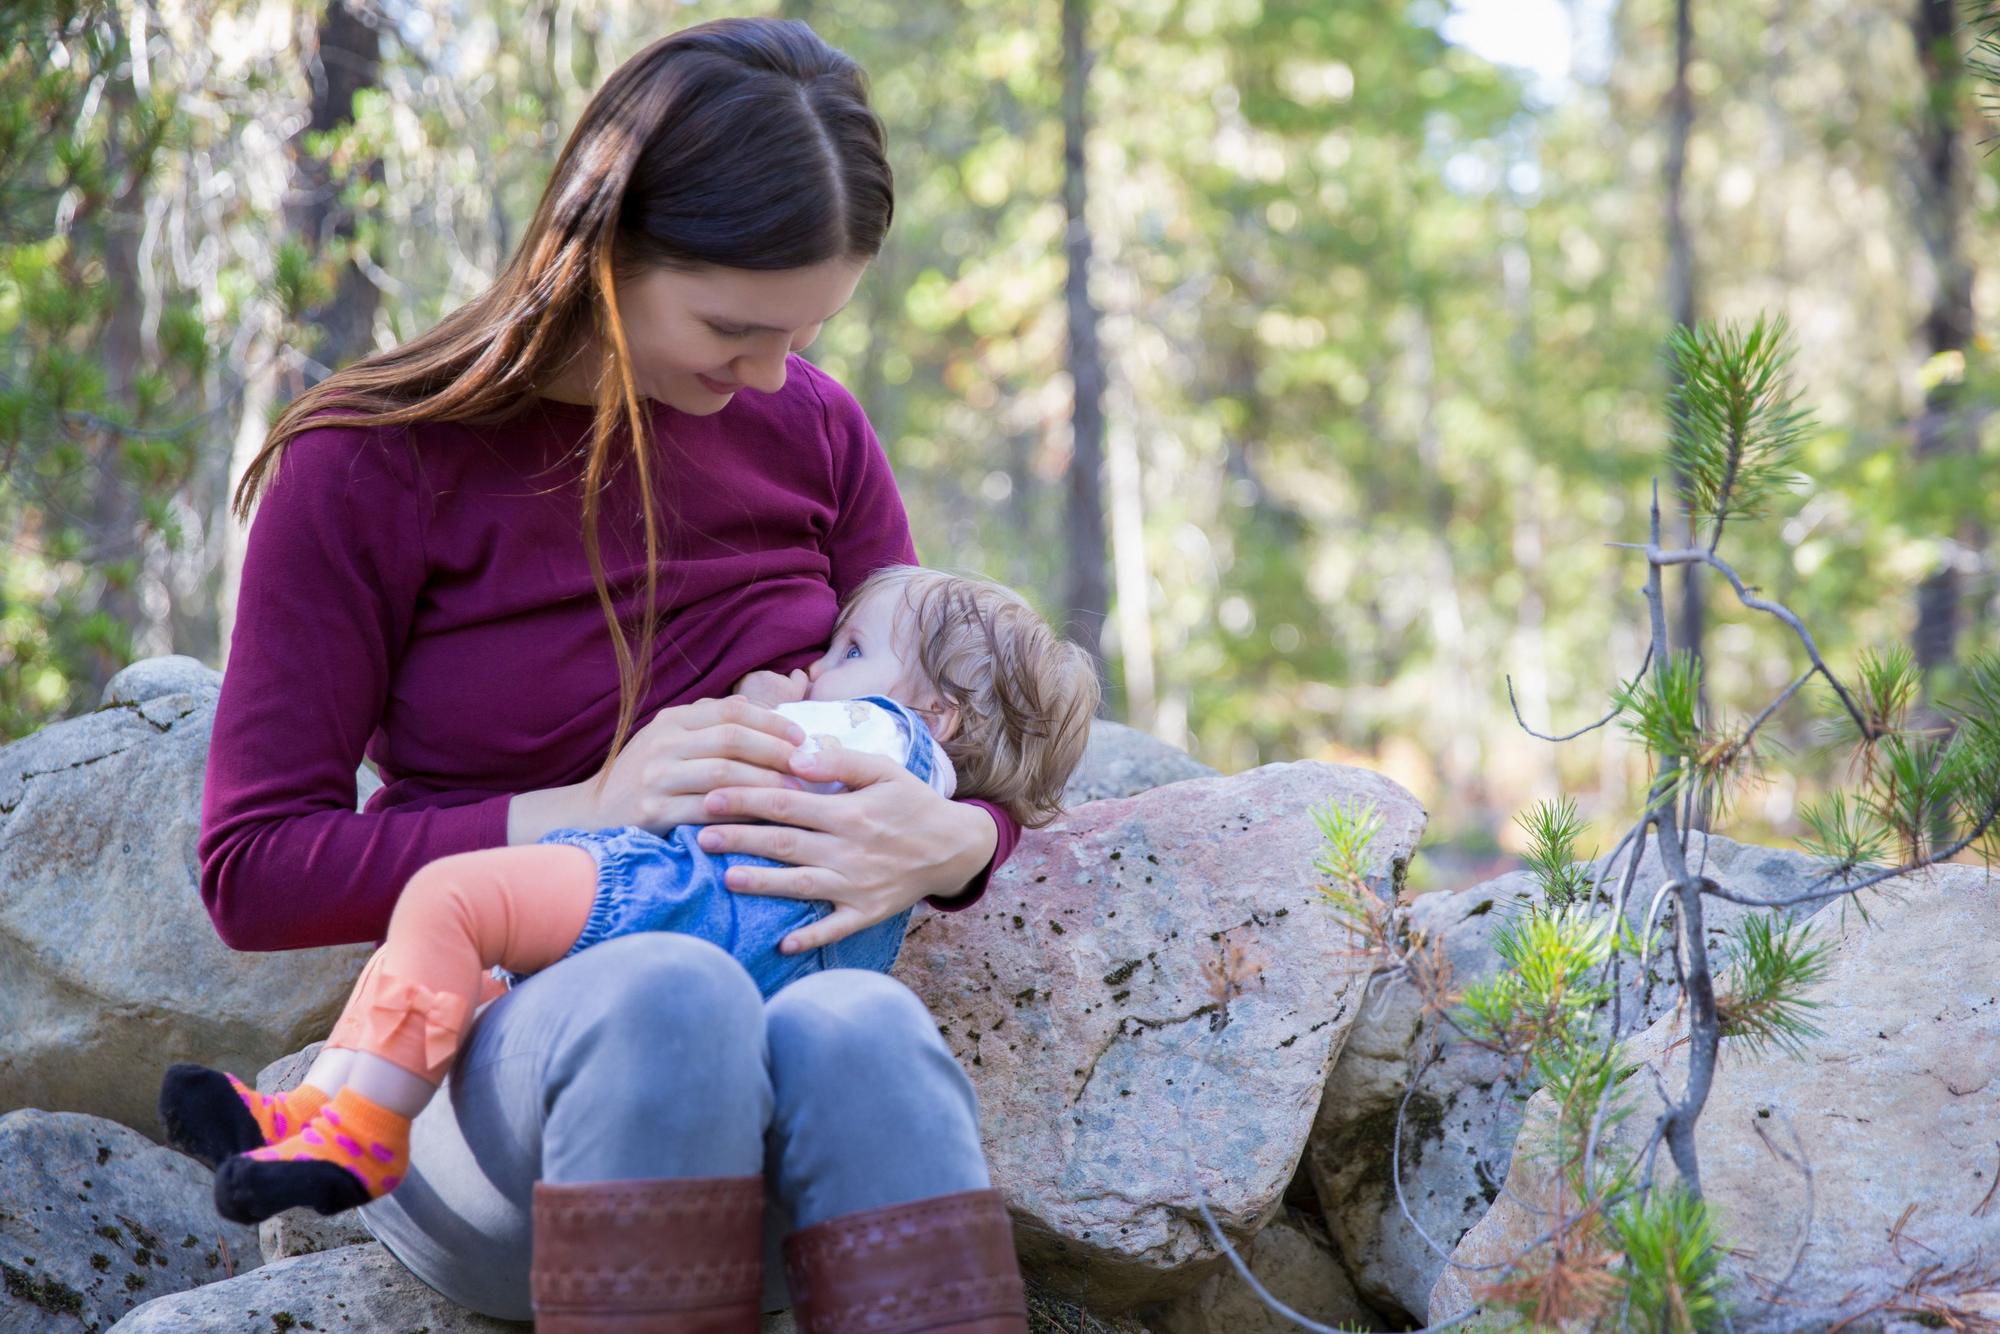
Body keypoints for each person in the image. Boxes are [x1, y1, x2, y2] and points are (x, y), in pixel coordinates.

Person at [192, 18, 1064, 1330]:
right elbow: (253, 866)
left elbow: (964, 716)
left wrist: (943, 835)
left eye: (807, 329)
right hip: (499, 1115)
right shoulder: (370, 465)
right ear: (604, 252)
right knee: (671, 989)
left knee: (865, 1029)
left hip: (805, 1140)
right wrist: (590, 802)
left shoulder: (815, 429)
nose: (776, 374)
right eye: (733, 326)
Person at [164, 566, 1097, 1230]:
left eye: (848, 648)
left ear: (935, 716)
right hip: (766, 978)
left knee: (449, 903)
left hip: (677, 898)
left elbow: (778, 743)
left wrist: (767, 696)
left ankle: (358, 1129)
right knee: (472, 974)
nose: (819, 663)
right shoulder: (915, 778)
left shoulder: (874, 733)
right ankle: (311, 1117)